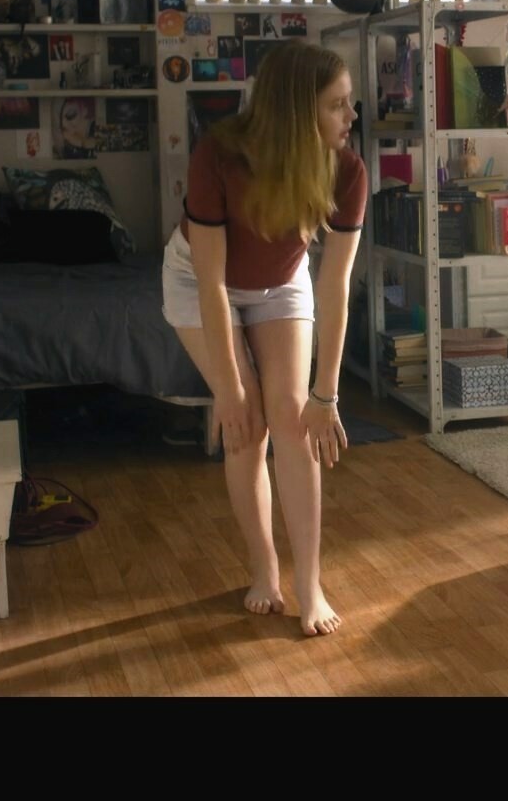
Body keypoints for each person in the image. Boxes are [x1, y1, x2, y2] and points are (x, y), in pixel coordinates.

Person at [161, 41, 363, 638]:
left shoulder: (347, 170)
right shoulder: (219, 155)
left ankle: (310, 583)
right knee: (246, 426)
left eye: (349, 102)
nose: (351, 116)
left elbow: (335, 287)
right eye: (337, 105)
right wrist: (227, 389)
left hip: (281, 284)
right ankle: (264, 567)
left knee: (295, 421)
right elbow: (212, 283)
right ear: (298, 111)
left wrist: (325, 394)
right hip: (200, 281)